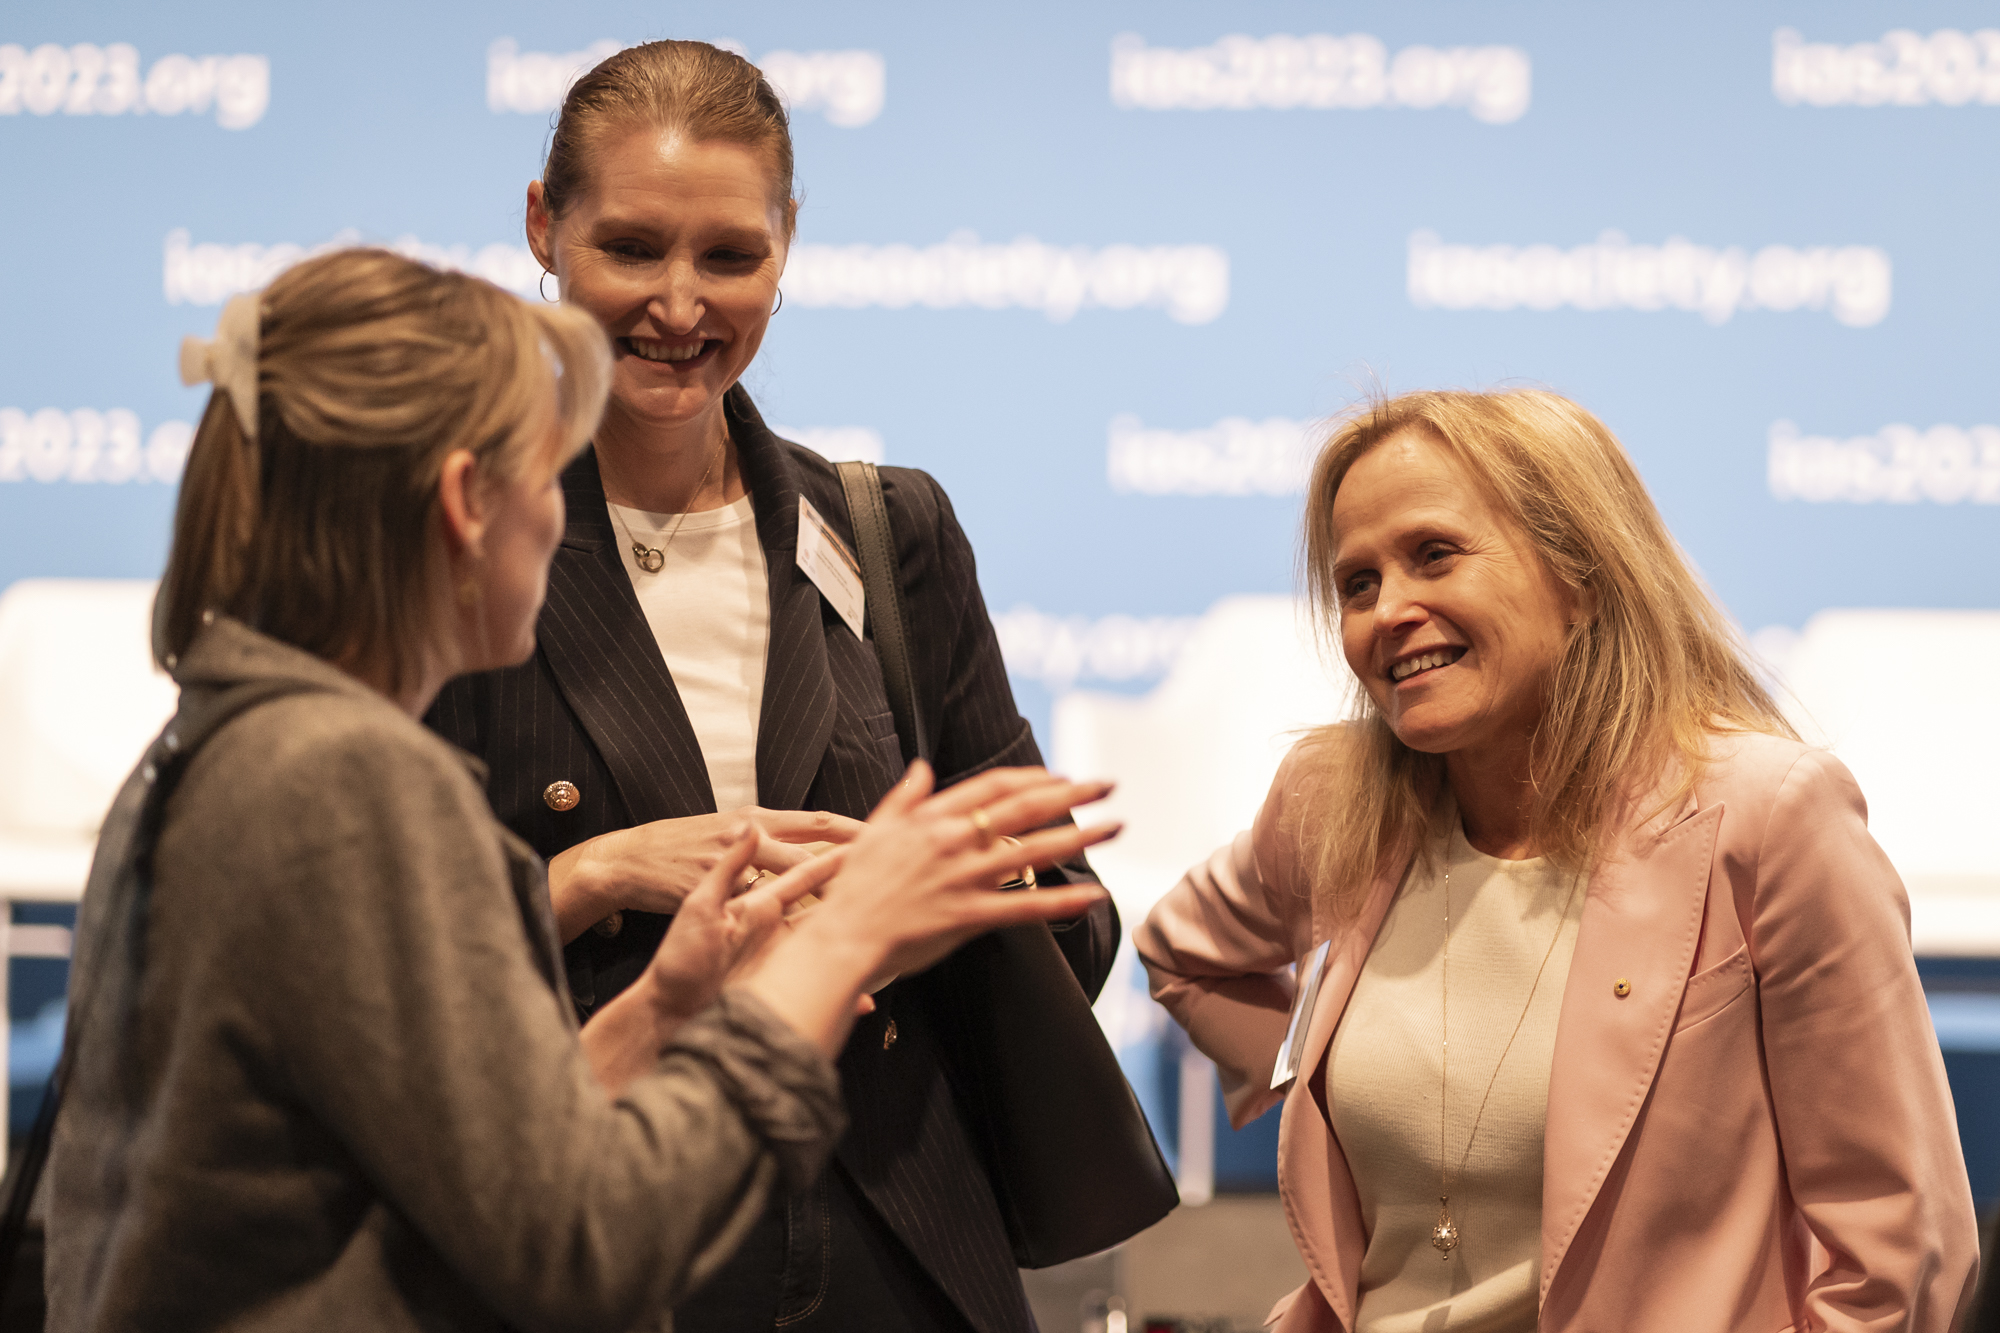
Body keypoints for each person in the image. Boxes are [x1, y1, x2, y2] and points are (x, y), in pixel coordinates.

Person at [46, 249, 1114, 1332]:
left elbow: (474, 1149)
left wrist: (662, 1006)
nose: (566, 519)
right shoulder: (348, 777)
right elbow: (579, 1247)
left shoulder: (223, 738)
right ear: (468, 501)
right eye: (547, 468)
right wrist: (835, 950)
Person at [425, 39, 1119, 1333]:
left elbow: (1077, 930)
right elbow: (382, 982)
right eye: (632, 247)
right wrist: (594, 876)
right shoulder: (450, 539)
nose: (680, 305)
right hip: (595, 1252)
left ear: (788, 243)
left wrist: (927, 901)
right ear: (542, 226)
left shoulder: (890, 529)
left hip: (906, 1249)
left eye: (730, 256)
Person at [1137, 388, 1978, 1332]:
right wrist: (1320, 1090)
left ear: (1579, 574)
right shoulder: (1333, 800)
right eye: (1358, 584)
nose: (1389, 612)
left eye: (1433, 555)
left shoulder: (1767, 815)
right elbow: (1185, 951)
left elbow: (1900, 1251)